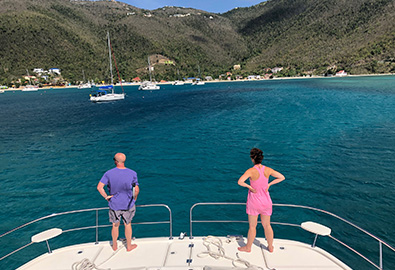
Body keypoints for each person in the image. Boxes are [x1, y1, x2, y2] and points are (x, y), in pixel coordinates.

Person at [237, 148, 285, 253]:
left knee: (252, 226)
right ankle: (270, 246)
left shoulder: (250, 171)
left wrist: (249, 187)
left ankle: (248, 247)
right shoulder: (268, 170)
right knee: (267, 225)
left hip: (254, 202)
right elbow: (282, 177)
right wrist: (269, 184)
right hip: (266, 202)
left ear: (252, 158)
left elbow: (240, 182)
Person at [97, 153, 140, 252]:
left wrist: (106, 197)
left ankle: (115, 245)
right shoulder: (132, 173)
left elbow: (99, 187)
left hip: (114, 204)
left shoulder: (108, 173)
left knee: (115, 225)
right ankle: (129, 246)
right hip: (128, 204)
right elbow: (136, 190)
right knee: (127, 224)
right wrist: (134, 199)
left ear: (115, 161)